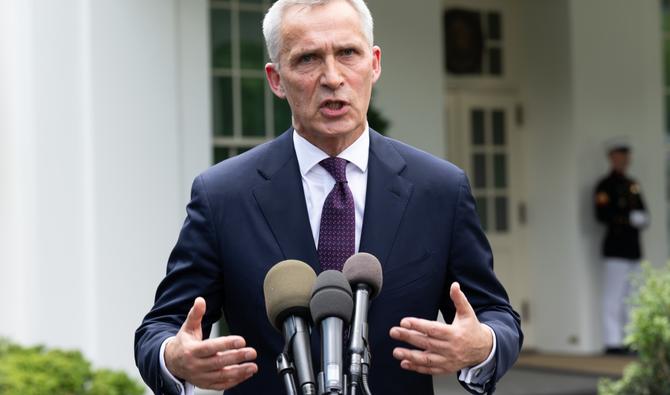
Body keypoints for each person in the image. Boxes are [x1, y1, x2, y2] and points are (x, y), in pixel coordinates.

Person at [134, 0, 522, 394]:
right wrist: (173, 356)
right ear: (276, 79)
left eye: (348, 53)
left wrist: (483, 344)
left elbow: (496, 315)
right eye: (308, 59)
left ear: (374, 63)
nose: (332, 77)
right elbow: (160, 328)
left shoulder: (439, 189)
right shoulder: (222, 196)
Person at [594, 138, 648, 355]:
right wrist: (627, 218)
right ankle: (612, 341)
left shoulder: (632, 184)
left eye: (626, 156)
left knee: (632, 296)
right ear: (612, 158)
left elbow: (643, 211)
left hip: (632, 248)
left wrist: (642, 218)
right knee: (613, 296)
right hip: (615, 248)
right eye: (619, 156)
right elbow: (602, 214)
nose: (624, 160)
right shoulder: (605, 186)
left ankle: (630, 339)